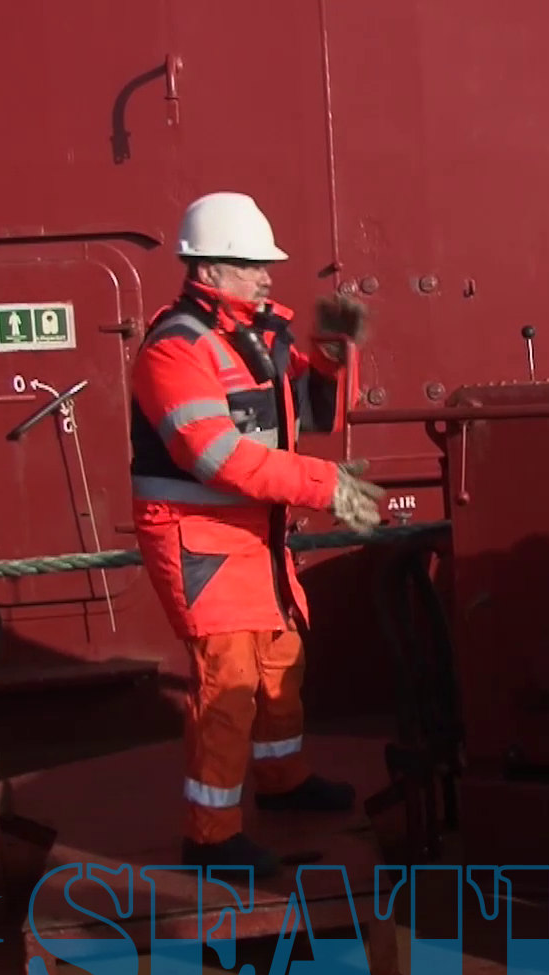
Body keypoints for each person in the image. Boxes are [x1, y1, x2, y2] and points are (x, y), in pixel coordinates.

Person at [128, 191, 385, 876]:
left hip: (254, 532)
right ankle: (210, 837)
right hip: (198, 537)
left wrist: (333, 351)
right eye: (252, 266)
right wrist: (326, 487)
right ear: (209, 269)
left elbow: (310, 409)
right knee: (229, 681)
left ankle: (283, 781)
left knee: (279, 660)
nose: (267, 277)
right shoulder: (176, 349)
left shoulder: (255, 337)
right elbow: (215, 457)